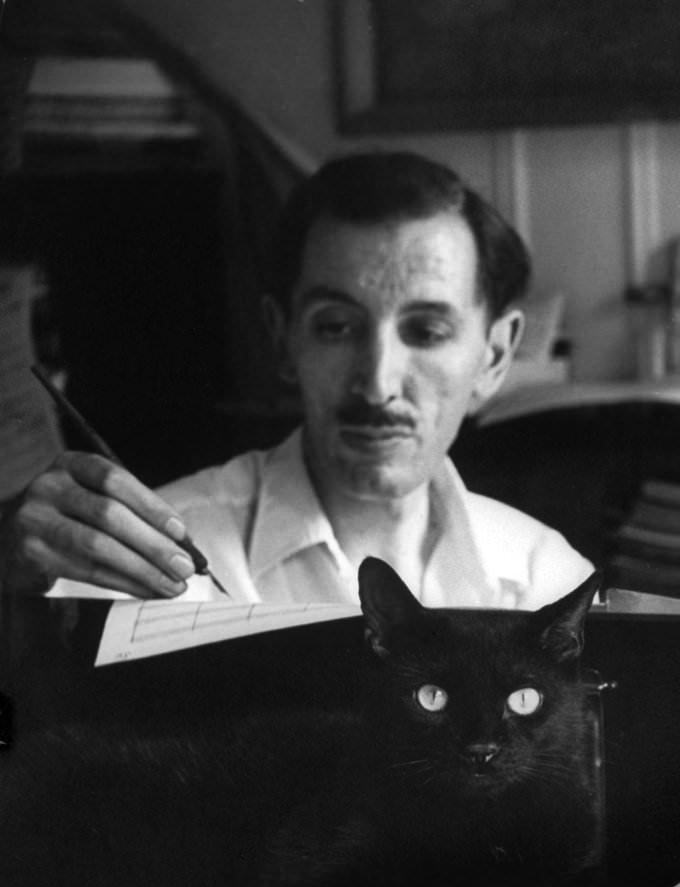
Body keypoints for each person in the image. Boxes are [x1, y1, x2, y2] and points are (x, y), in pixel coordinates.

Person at [0, 151, 593, 607]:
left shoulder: (549, 581)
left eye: (427, 332)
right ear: (283, 339)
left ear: (493, 357)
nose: (378, 384)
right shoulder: (146, 568)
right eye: (336, 327)